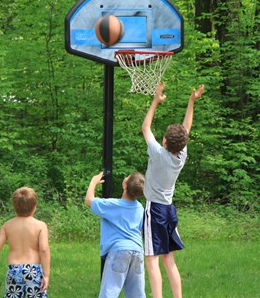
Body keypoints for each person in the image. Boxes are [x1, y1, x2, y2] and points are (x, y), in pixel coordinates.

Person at [141, 82, 204, 298]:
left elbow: (146, 127)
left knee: (151, 260)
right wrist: (191, 102)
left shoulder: (158, 154)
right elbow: (186, 128)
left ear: (165, 141)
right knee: (169, 260)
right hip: (169, 210)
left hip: (155, 210)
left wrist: (155, 101)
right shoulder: (181, 156)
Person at [85, 171, 146, 298]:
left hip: (119, 252)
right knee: (137, 294)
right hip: (138, 252)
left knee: (109, 292)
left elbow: (89, 200)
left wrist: (93, 182)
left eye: (127, 177)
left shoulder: (114, 205)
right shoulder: (140, 208)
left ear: (125, 186)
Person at [0, 187, 51, 298]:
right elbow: (44, 250)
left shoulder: (8, 225)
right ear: (35, 206)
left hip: (14, 270)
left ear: (14, 206)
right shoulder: (40, 226)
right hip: (33, 270)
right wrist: (46, 275)